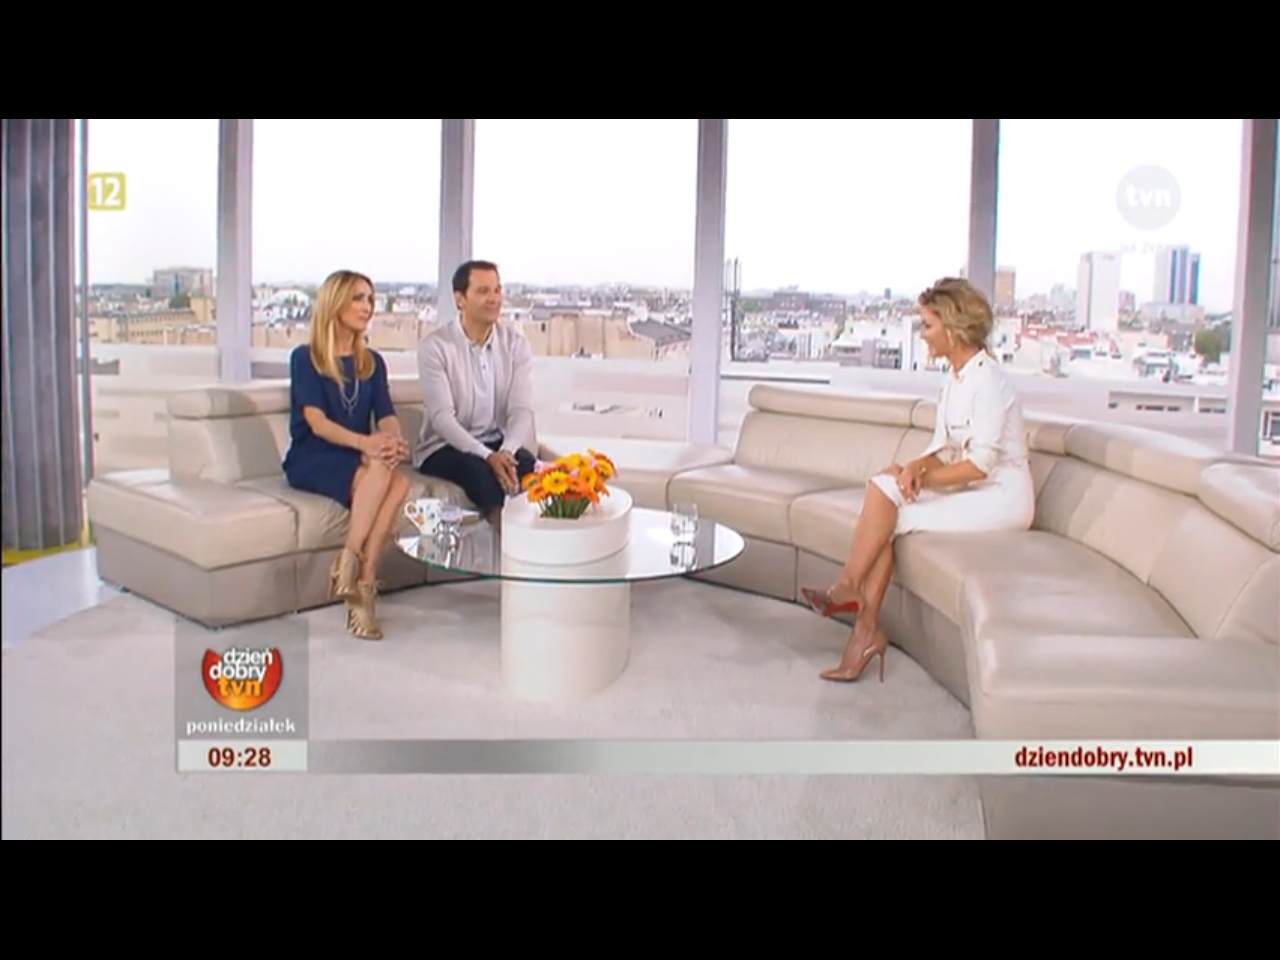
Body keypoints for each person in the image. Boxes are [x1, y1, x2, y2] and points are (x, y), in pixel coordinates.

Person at [800, 277, 1035, 683]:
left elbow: (979, 465)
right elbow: (941, 448)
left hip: (1002, 497)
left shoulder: (990, 382)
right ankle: (861, 618)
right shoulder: (955, 379)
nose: (922, 334)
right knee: (883, 485)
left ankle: (853, 603)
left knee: (894, 517)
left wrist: (923, 481)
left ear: (953, 328)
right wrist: (911, 469)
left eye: (927, 325)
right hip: (972, 488)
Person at [282, 269, 411, 641]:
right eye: (358, 298)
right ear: (335, 303)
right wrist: (367, 444)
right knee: (388, 476)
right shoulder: (306, 358)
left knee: (397, 480)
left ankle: (361, 578)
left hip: (356, 455)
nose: (367, 306)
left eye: (370, 299)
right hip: (312, 455)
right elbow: (317, 422)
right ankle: (354, 569)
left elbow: (385, 414)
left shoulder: (372, 362)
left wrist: (392, 440)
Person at [415, 260, 537, 523]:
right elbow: (442, 419)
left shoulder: (516, 345)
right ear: (460, 299)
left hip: (496, 442)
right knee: (481, 475)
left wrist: (506, 452)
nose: (494, 299)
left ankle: (534, 542)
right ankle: (499, 544)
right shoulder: (435, 347)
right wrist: (488, 456)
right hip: (445, 447)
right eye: (483, 291)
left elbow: (521, 410)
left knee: (531, 470)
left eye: (497, 290)